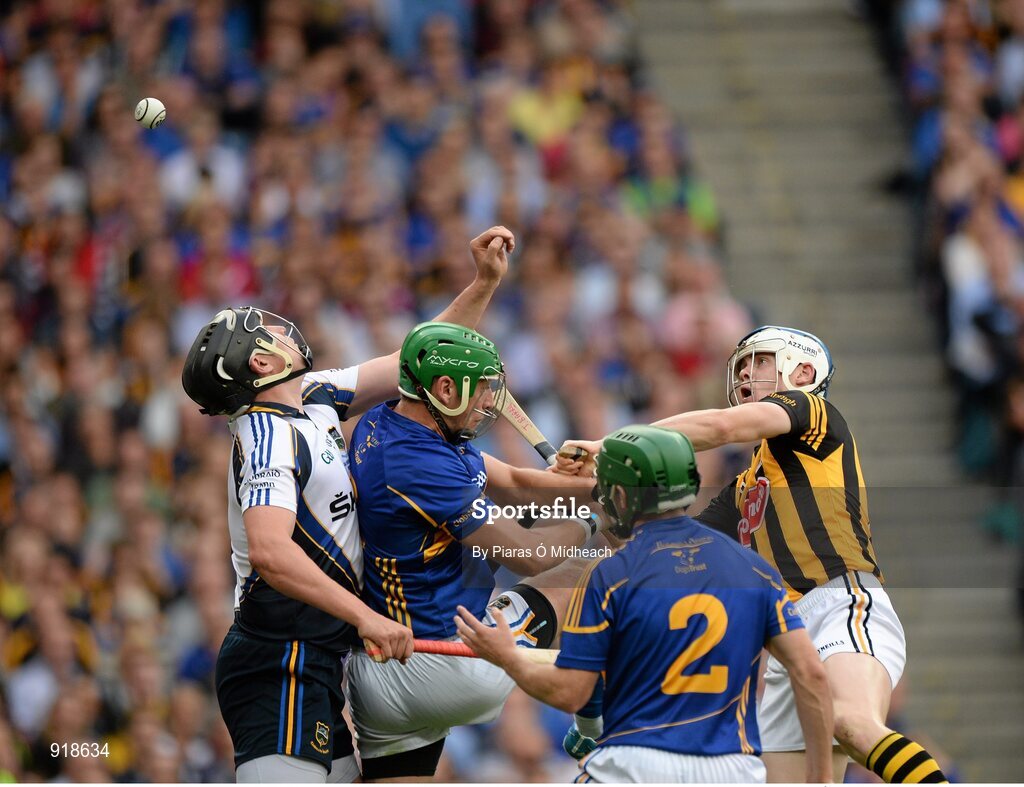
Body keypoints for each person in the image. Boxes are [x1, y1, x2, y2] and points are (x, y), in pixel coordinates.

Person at [179, 226, 516, 783]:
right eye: (265, 331)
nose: (282, 329)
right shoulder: (265, 434)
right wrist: (365, 616)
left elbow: (420, 358)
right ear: (261, 363)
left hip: (318, 658)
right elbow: (268, 550)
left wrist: (483, 282)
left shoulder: (310, 398)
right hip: (278, 660)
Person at [557, 326, 950, 784]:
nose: (746, 370)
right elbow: (663, 549)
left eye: (760, 360)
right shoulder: (747, 488)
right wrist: (608, 501)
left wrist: (610, 447)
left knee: (850, 721)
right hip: (788, 639)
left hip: (842, 604)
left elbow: (720, 427)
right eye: (742, 363)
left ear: (803, 372)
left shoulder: (814, 413)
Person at [455, 424, 833, 783]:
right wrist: (821, 780)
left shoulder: (610, 575)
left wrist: (507, 657)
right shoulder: (754, 570)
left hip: (636, 763)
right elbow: (812, 675)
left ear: (620, 496)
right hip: (734, 769)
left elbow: (571, 692)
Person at [344, 320, 606, 781]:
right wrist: (590, 518)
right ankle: (592, 721)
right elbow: (532, 555)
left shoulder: (393, 422)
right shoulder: (420, 464)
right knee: (589, 569)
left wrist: (582, 483)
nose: (490, 402)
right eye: (482, 388)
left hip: (380, 674)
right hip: (443, 664)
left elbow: (518, 484)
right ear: (445, 388)